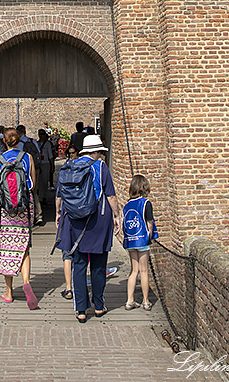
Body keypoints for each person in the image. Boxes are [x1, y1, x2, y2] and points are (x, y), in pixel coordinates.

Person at [55, 134, 120, 323]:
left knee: (79, 265)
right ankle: (99, 306)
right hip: (98, 220)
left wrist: (58, 213)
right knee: (99, 266)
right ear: (97, 151)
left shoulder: (70, 165)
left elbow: (60, 193)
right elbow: (111, 196)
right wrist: (117, 216)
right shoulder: (101, 168)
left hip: (75, 220)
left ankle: (81, 309)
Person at [0, 127, 39, 309]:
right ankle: (26, 281)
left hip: (5, 210)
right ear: (19, 140)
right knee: (24, 246)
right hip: (24, 208)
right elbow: (33, 184)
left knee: (6, 247)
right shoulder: (27, 157)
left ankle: (9, 292)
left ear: (4, 141)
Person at [123, 173, 157, 310]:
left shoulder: (127, 205)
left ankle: (130, 300)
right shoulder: (145, 203)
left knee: (134, 270)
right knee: (144, 270)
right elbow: (149, 223)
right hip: (142, 240)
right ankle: (146, 301)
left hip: (131, 241)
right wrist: (150, 236)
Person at [59, 142, 79, 301]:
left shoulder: (64, 171)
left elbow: (59, 195)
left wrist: (58, 213)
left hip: (68, 213)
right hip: (81, 214)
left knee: (67, 252)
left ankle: (69, 288)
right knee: (78, 251)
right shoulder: (85, 170)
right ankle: (76, 288)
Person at [16, 124, 44, 225]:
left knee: (23, 192)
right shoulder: (32, 141)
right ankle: (38, 214)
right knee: (34, 192)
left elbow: (18, 157)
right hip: (35, 169)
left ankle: (26, 215)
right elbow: (39, 153)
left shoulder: (20, 143)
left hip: (24, 170)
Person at [36, 128, 54, 204]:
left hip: (46, 163)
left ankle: (43, 196)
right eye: (40, 134)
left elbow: (50, 156)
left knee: (45, 181)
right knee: (39, 181)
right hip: (38, 163)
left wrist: (52, 166)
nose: (41, 136)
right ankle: (40, 197)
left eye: (43, 134)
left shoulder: (47, 144)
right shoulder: (36, 143)